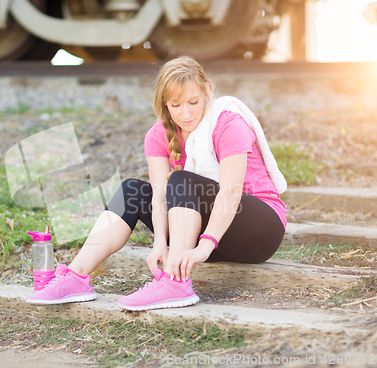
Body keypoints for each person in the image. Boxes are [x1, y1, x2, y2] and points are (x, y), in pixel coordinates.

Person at [25, 56, 287, 310]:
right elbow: (160, 196)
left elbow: (230, 192)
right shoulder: (158, 135)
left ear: (207, 92)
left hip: (259, 229)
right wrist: (160, 242)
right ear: (164, 104)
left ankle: (175, 282)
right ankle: (77, 276)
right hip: (210, 234)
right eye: (175, 105)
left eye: (193, 102)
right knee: (132, 191)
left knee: (181, 179)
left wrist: (205, 246)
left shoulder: (228, 123)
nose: (186, 114)